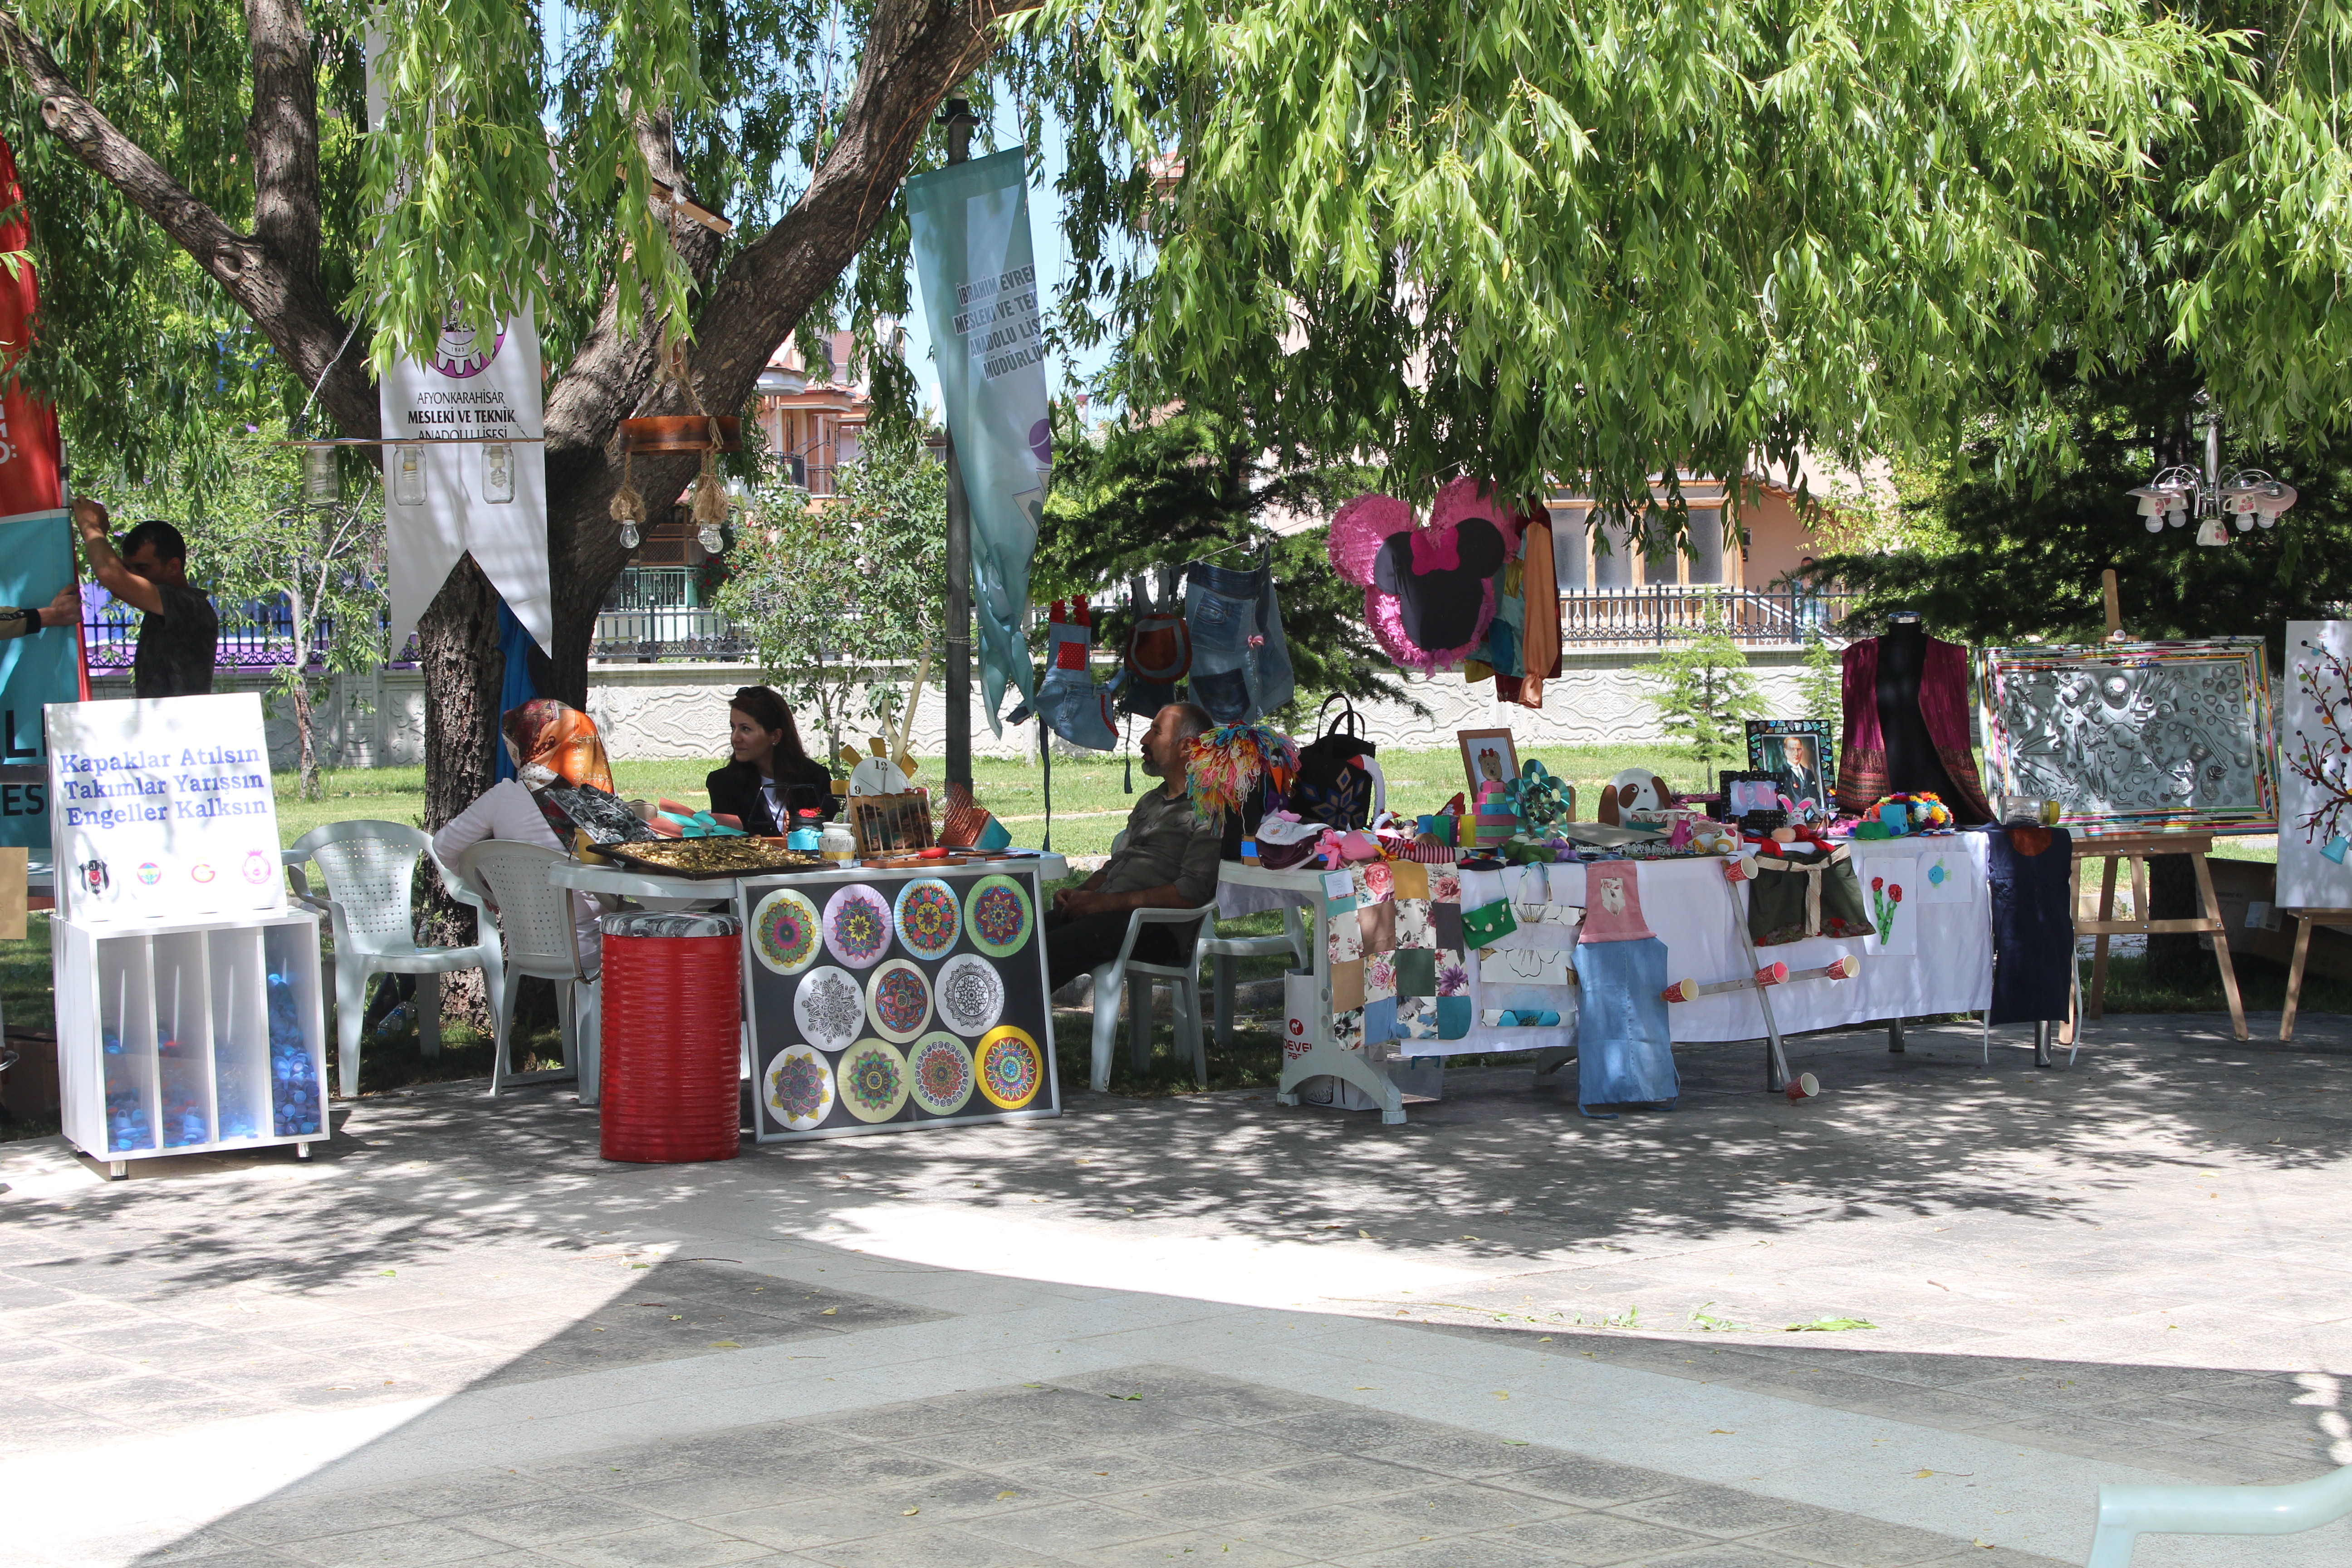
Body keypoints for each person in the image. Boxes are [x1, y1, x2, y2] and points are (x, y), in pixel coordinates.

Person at [1045, 702, 1221, 993]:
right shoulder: (1151, 801)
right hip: (1109, 914)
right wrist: (1081, 893)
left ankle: (1016, 1027)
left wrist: (1104, 904)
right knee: (1019, 940)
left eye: (1156, 732)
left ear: (1187, 747)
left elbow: (1191, 893)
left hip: (1157, 929)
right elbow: (1117, 864)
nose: (1144, 740)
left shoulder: (1210, 807)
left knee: (1048, 952)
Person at [432, 700, 617, 969]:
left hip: (526, 942)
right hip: (593, 945)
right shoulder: (596, 801)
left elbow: (443, 845)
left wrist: (487, 884)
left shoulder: (502, 798)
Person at [71, 497, 218, 696]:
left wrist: (89, 525)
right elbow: (119, 586)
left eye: (141, 568)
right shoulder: (163, 605)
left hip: (182, 723)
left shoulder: (190, 605)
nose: (134, 576)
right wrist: (101, 534)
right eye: (128, 569)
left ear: (173, 567)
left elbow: (114, 578)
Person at [706, 685, 838, 835]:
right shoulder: (723, 783)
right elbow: (729, 844)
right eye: (733, 728)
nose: (735, 738)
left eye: (746, 729)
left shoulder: (815, 778)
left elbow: (833, 833)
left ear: (775, 736)